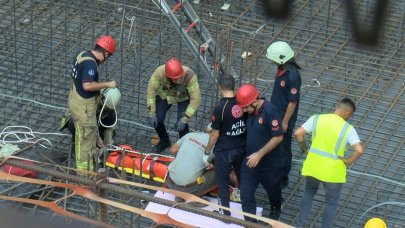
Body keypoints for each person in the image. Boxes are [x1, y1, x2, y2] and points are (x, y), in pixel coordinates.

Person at [294, 98, 364, 228]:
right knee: (331, 203)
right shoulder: (347, 128)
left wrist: (305, 149)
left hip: (313, 167)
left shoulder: (317, 118)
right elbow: (359, 150)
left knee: (309, 193)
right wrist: (348, 161)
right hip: (332, 173)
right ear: (347, 113)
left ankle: (300, 224)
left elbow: (298, 133)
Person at [67, 35, 117, 174]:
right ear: (105, 53)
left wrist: (97, 137)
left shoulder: (82, 54)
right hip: (84, 107)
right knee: (85, 142)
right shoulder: (91, 64)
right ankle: (85, 175)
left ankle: (85, 169)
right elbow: (87, 85)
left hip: (75, 101)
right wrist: (107, 84)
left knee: (85, 135)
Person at [235, 84, 286, 221]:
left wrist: (259, 154)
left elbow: (278, 137)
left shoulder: (270, 112)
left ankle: (276, 206)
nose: (244, 110)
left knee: (273, 190)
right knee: (245, 195)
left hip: (270, 164)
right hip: (250, 162)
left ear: (255, 101)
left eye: (246, 107)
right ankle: (251, 223)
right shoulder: (249, 110)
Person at [204, 75, 247, 216]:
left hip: (224, 150)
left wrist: (207, 151)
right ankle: (247, 209)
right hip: (241, 147)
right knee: (243, 179)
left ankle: (224, 213)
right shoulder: (241, 103)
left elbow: (214, 134)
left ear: (220, 87)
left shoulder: (220, 108)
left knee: (222, 182)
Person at [266, 40, 302, 188]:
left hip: (283, 117)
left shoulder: (293, 76)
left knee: (284, 148)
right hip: (276, 113)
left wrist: (285, 122)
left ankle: (282, 178)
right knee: (273, 144)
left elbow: (292, 102)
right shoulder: (282, 69)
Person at [147, 58, 201, 153]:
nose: (179, 80)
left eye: (180, 77)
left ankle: (184, 147)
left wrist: (185, 119)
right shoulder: (159, 72)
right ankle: (164, 141)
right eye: (175, 79)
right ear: (168, 76)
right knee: (157, 119)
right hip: (166, 94)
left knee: (182, 125)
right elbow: (150, 92)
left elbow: (195, 100)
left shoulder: (190, 76)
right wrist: (151, 113)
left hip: (183, 97)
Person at [165, 125, 216, 198]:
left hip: (170, 183)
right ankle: (194, 198)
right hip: (186, 189)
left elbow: (172, 150)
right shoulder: (215, 146)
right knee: (221, 173)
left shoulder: (190, 135)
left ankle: (180, 196)